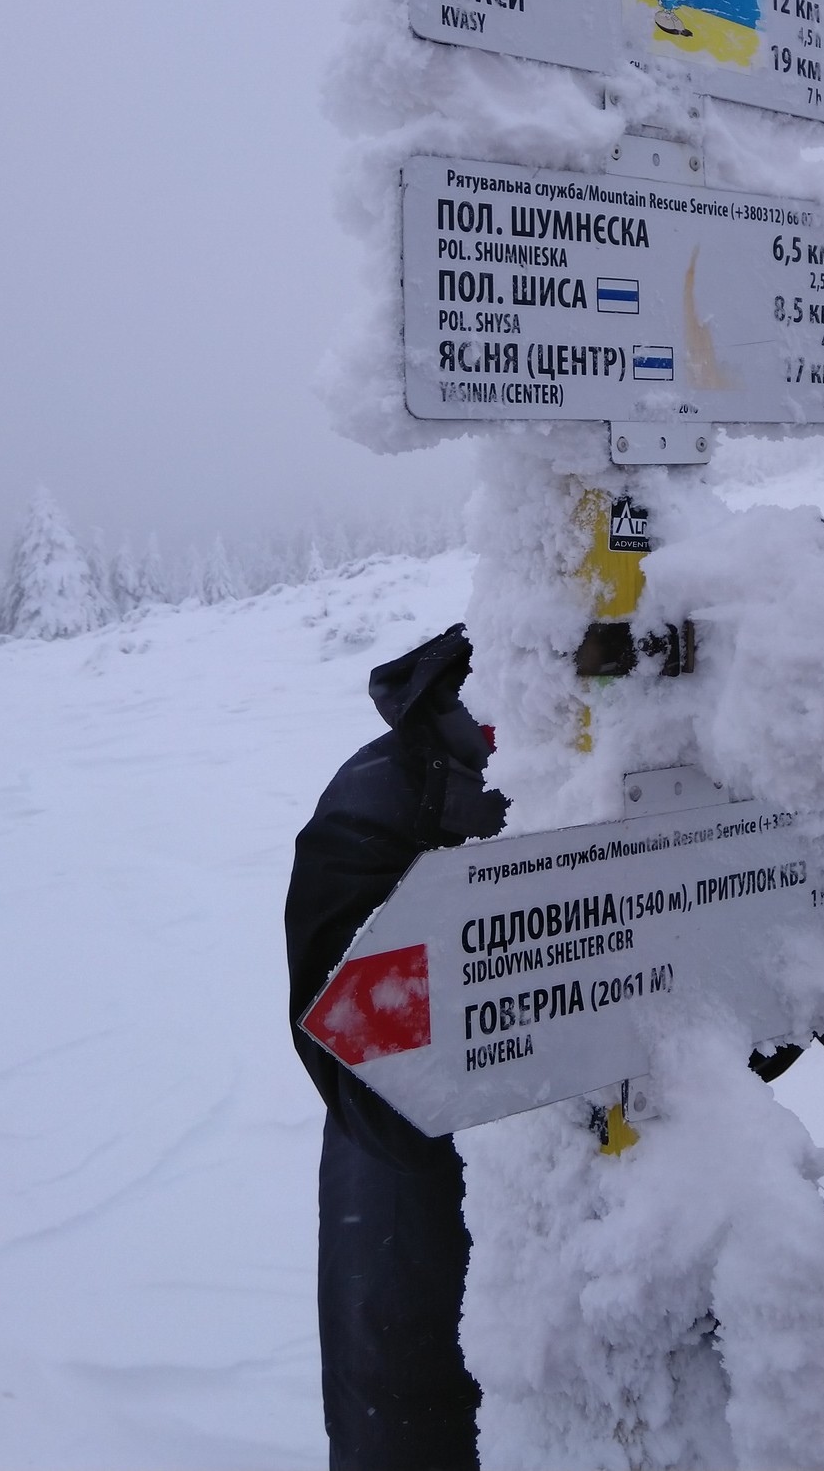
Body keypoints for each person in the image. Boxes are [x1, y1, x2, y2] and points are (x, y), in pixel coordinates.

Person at [286, 624, 506, 1471]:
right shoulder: (385, 790)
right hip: (409, 1230)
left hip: (637, 1232)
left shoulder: (670, 764)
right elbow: (365, 1083)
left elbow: (771, 1025)